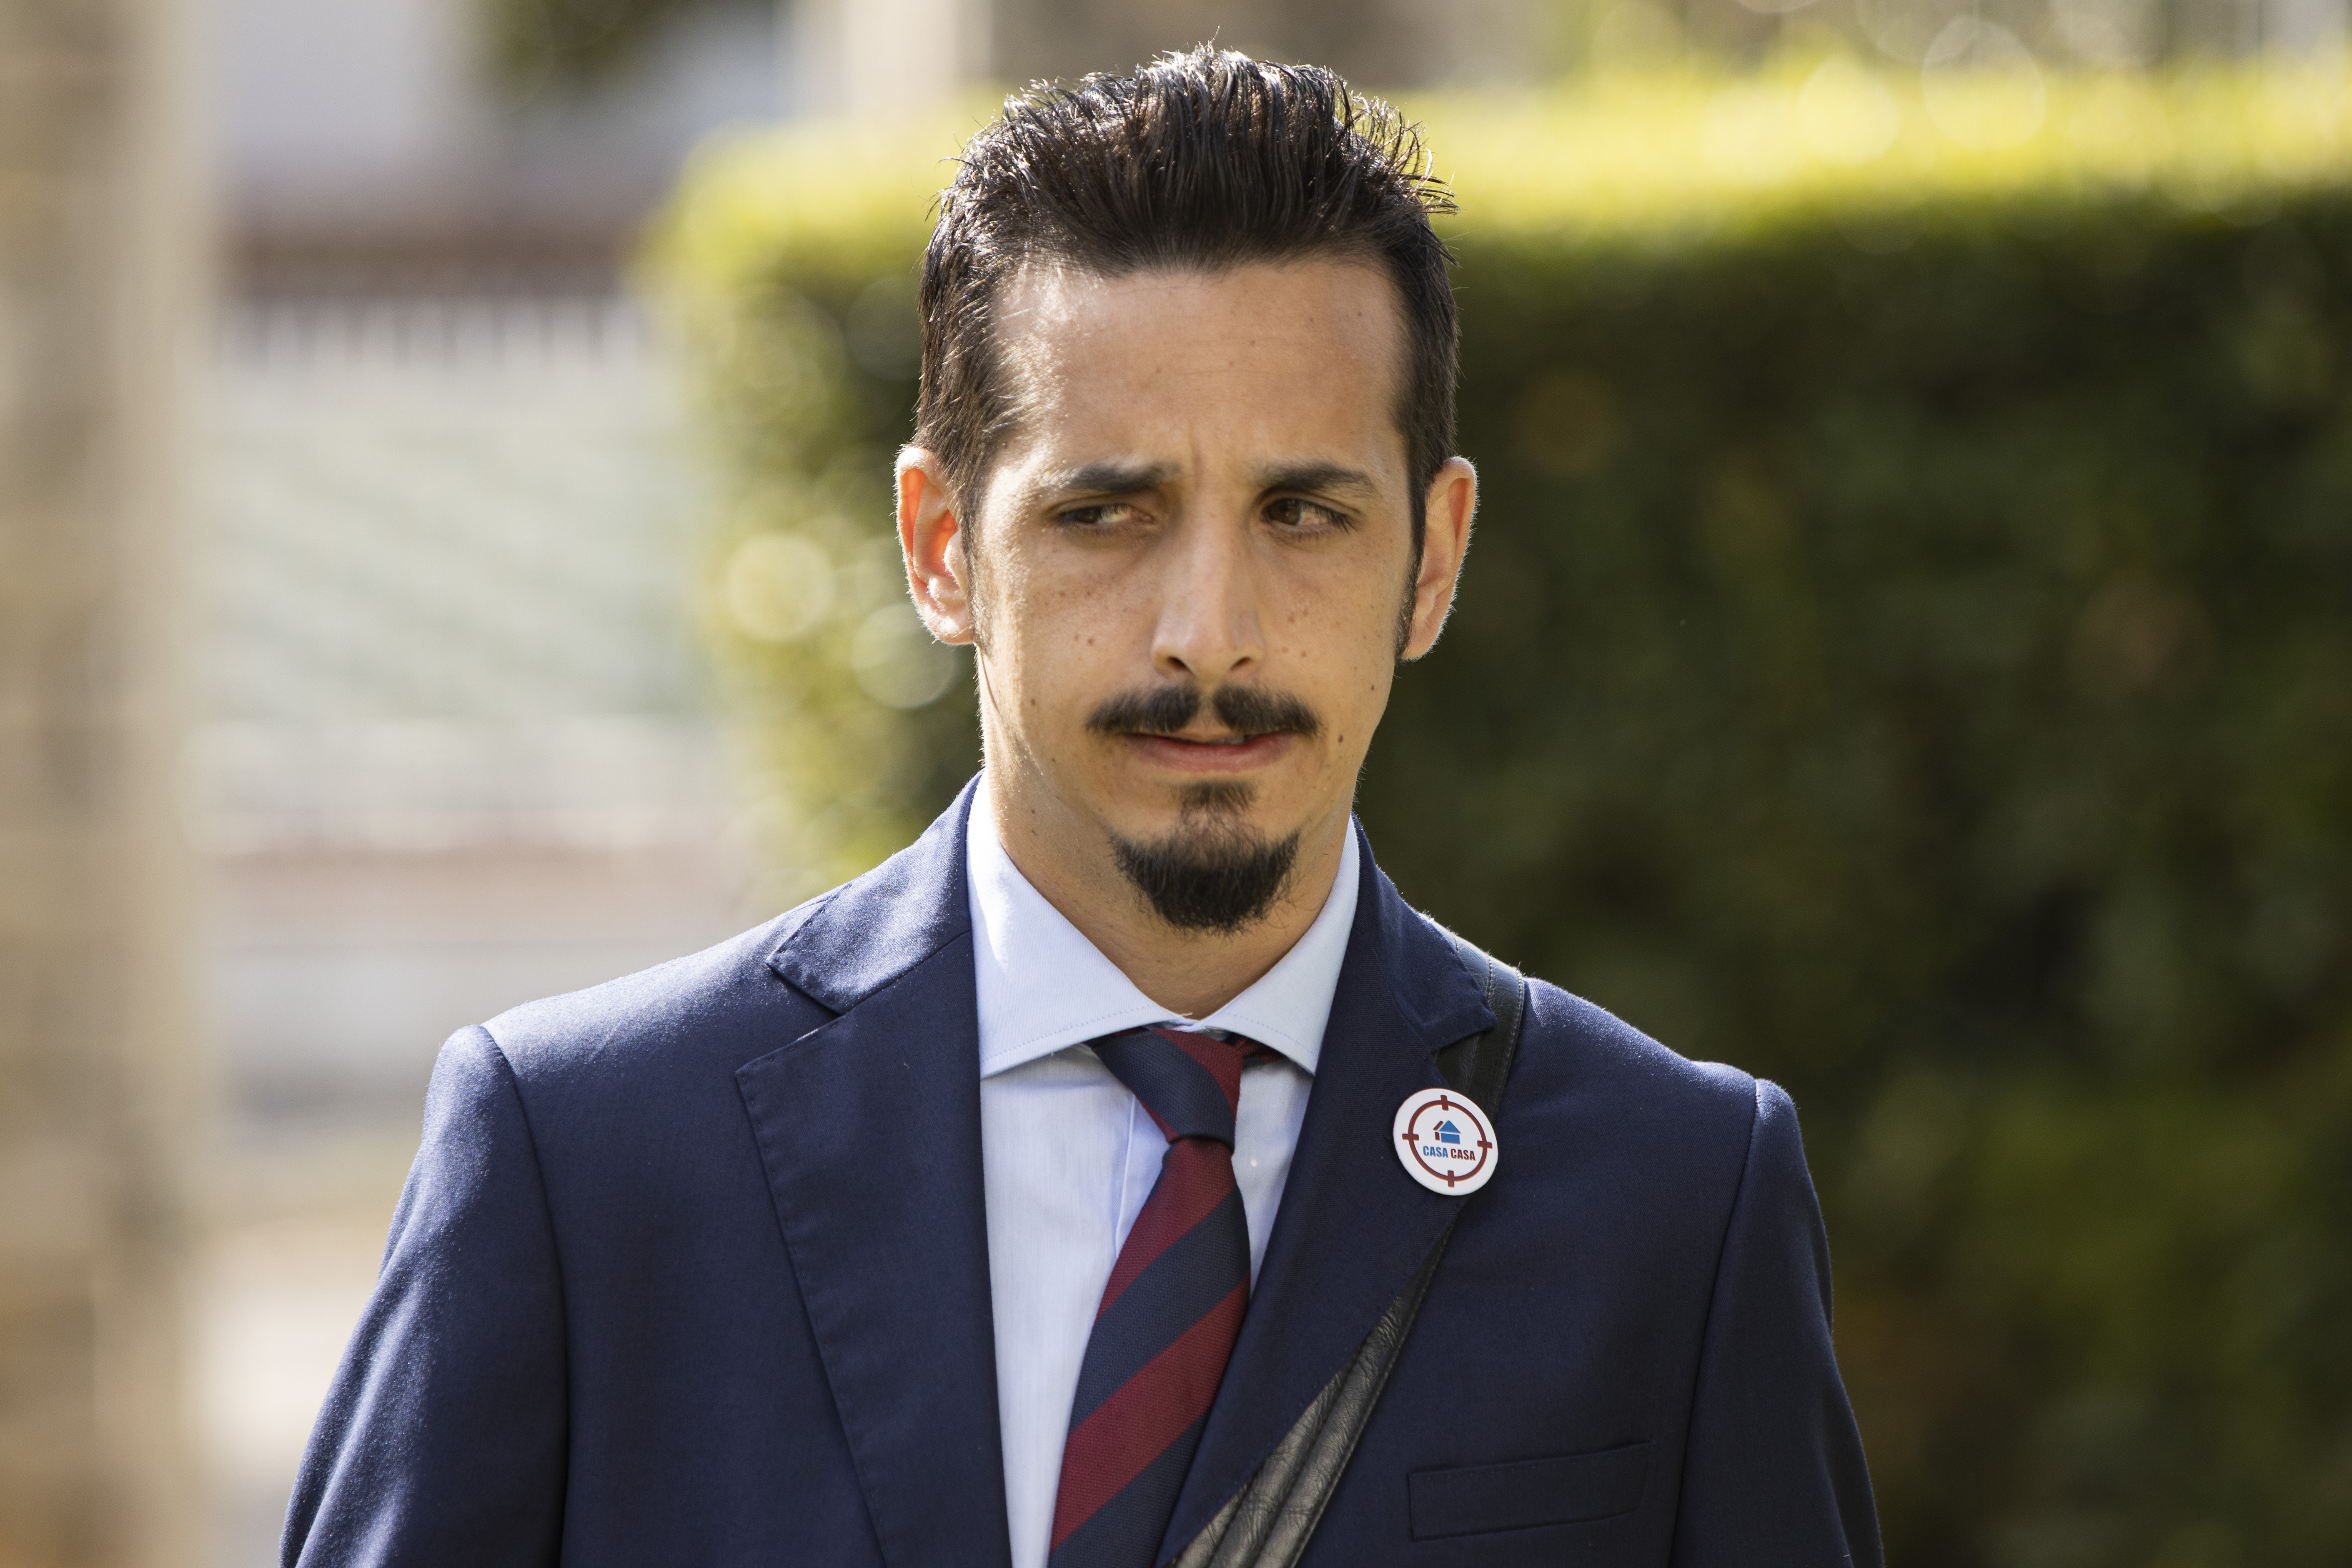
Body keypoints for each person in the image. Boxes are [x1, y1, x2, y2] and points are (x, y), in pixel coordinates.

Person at [284, 46, 1880, 1568]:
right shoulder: (583, 1162)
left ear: (1434, 557)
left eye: (1303, 512)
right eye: (1107, 511)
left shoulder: (1677, 1198)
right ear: (939, 548)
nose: (1209, 631)